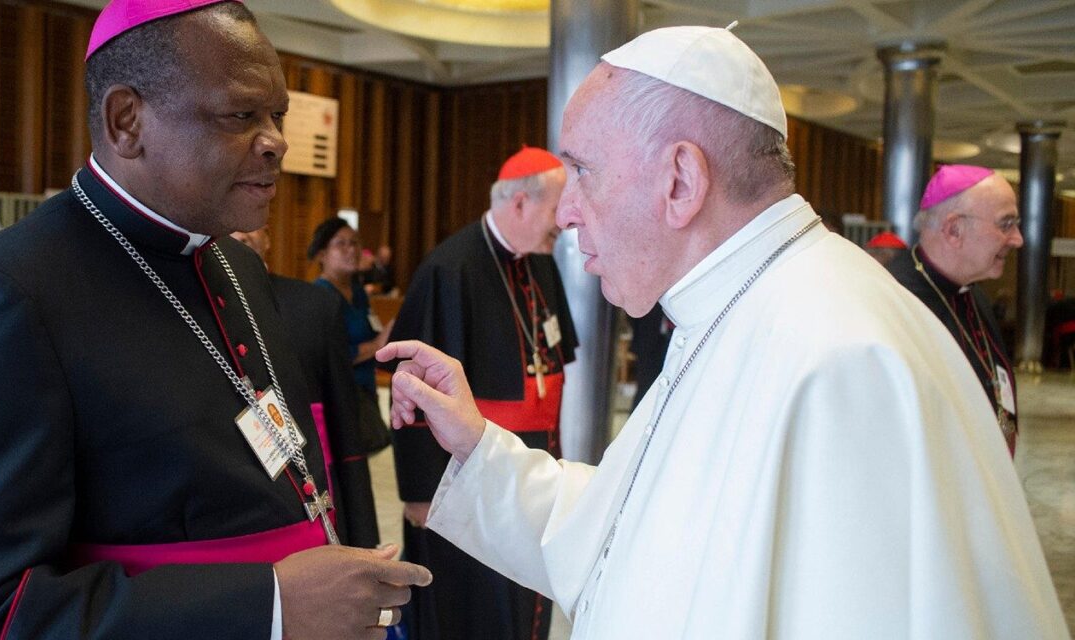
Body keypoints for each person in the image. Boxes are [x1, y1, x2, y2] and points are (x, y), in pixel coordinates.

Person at [378, 25, 1068, 639]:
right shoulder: (736, 307)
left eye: (584, 172)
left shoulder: (839, 357)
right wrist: (480, 446)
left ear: (681, 180)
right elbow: (625, 532)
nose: (572, 214)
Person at [0, 2, 428, 639]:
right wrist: (265, 607)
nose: (276, 141)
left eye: (277, 115)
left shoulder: (235, 262)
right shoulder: (7, 294)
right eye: (241, 114)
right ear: (127, 121)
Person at [386, 146, 576, 640]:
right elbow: (411, 385)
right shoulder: (451, 268)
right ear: (519, 204)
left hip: (532, 467)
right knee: (469, 607)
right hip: (462, 477)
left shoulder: (542, 265)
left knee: (524, 594)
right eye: (558, 208)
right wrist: (420, 492)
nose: (567, 221)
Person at [233, 225, 381, 549]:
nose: (241, 233)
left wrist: (363, 531)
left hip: (316, 484)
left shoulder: (313, 304)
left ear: (268, 237)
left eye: (251, 227)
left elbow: (343, 420)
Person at [887, 165, 1023, 454]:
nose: (1017, 239)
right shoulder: (894, 301)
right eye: (1006, 224)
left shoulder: (972, 291)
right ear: (954, 229)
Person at [309, 218, 393, 454]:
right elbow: (329, 356)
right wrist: (377, 344)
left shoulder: (358, 292)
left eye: (355, 243)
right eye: (341, 244)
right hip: (338, 399)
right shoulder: (318, 295)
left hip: (365, 393)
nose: (352, 250)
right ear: (322, 254)